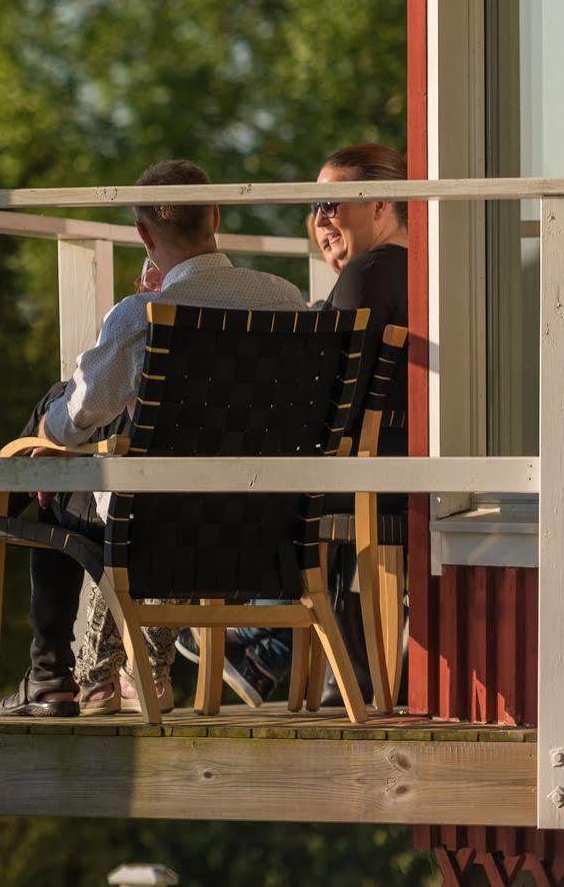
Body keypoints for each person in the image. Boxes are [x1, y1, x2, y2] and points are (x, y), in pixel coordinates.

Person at [0, 160, 310, 718]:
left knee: (51, 458)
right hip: (267, 527)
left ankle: (32, 660)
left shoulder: (144, 315)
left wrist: (50, 435)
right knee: (58, 449)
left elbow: (71, 421)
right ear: (216, 215)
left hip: (158, 530)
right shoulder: (285, 300)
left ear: (143, 234)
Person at [173, 142, 411, 706]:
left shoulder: (367, 273)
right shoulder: (416, 269)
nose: (319, 220)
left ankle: (246, 638)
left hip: (371, 475)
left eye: (332, 205)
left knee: (218, 473)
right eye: (312, 209)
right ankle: (269, 649)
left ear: (378, 205)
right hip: (398, 462)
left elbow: (312, 394)